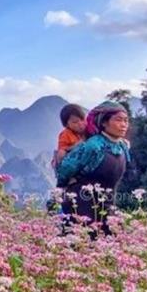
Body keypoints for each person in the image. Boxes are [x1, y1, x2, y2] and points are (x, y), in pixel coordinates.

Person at [56, 101, 131, 238]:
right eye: (118, 120)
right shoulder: (93, 145)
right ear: (104, 123)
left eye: (126, 120)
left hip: (107, 205)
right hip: (80, 206)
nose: (124, 124)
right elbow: (63, 170)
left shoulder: (123, 146)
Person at [53, 104, 87, 170]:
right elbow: (62, 150)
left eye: (82, 119)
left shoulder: (88, 128)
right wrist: (75, 146)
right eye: (75, 122)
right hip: (72, 159)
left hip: (85, 158)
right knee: (61, 154)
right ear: (67, 125)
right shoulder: (65, 135)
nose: (80, 123)